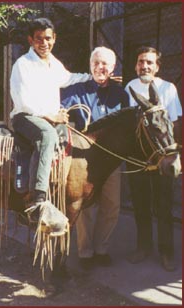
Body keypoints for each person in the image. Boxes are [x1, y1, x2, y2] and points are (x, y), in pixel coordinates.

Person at [10, 18, 90, 221]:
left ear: (54, 38)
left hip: (47, 117)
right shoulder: (23, 64)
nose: (43, 43)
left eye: (47, 38)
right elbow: (24, 100)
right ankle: (37, 199)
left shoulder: (53, 63)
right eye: (38, 39)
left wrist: (94, 78)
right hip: (26, 117)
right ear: (30, 40)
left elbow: (69, 78)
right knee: (47, 136)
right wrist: (52, 116)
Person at [61, 46, 129, 269]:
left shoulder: (121, 94)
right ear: (90, 65)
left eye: (105, 64)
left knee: (112, 204)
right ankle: (85, 252)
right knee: (86, 206)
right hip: (85, 159)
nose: (101, 67)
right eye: (96, 63)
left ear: (113, 67)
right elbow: (59, 109)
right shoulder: (76, 90)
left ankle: (102, 249)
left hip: (111, 159)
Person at [125, 46, 182, 271]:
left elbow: (175, 123)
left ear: (157, 66)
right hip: (137, 156)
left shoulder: (168, 88)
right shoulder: (129, 87)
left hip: (163, 156)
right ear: (135, 65)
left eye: (149, 62)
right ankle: (143, 247)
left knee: (163, 205)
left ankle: (166, 251)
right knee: (140, 204)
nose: (145, 66)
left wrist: (175, 154)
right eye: (141, 62)